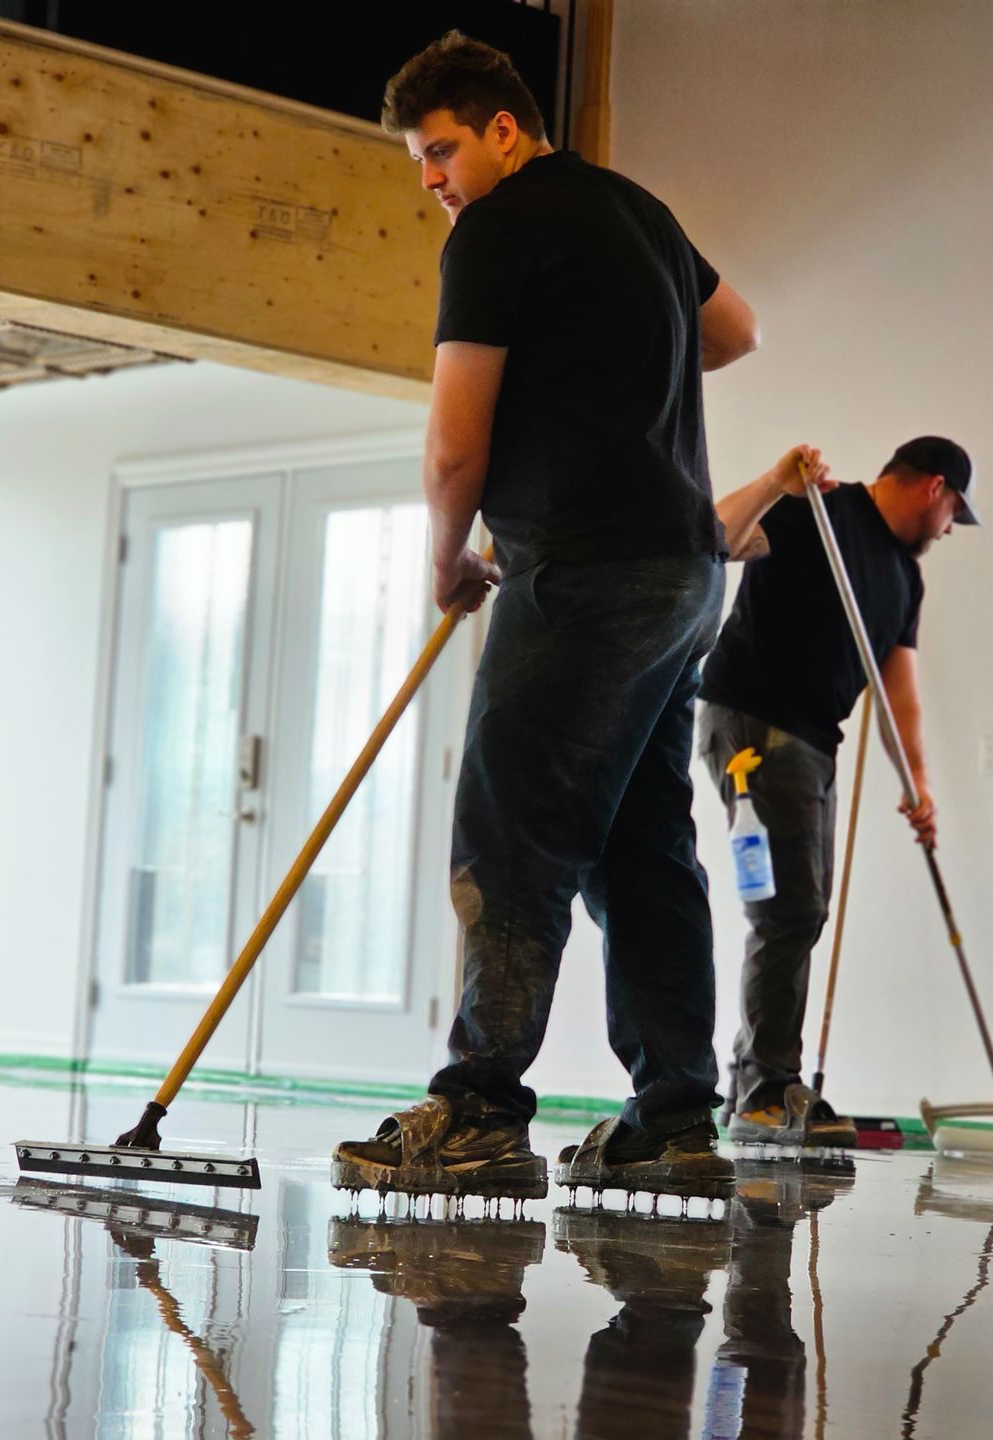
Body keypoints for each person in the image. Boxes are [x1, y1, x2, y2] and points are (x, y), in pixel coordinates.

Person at [330, 31, 777, 1204]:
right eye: (421, 162)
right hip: (683, 572)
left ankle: (479, 1109)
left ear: (504, 131)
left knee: (515, 832)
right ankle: (675, 1120)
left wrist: (444, 557)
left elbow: (453, 441)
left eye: (441, 152)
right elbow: (738, 332)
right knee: (642, 847)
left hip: (580, 571)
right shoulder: (636, 209)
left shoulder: (500, 225)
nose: (432, 180)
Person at [696, 437, 978, 1146]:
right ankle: (763, 1091)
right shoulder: (816, 510)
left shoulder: (903, 580)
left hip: (815, 741)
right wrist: (775, 479)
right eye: (953, 514)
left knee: (799, 911)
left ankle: (759, 1086)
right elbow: (718, 540)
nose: (948, 530)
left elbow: (897, 691)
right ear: (934, 487)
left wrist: (918, 785)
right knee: (788, 910)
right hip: (753, 726)